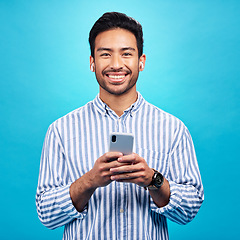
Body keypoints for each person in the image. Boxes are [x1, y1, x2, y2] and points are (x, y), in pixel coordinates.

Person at [36, 12, 204, 240]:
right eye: (105, 54)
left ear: (141, 62)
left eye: (126, 54)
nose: (116, 65)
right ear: (92, 63)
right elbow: (46, 215)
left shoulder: (173, 129)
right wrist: (90, 181)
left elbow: (190, 210)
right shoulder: (61, 131)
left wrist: (153, 180)